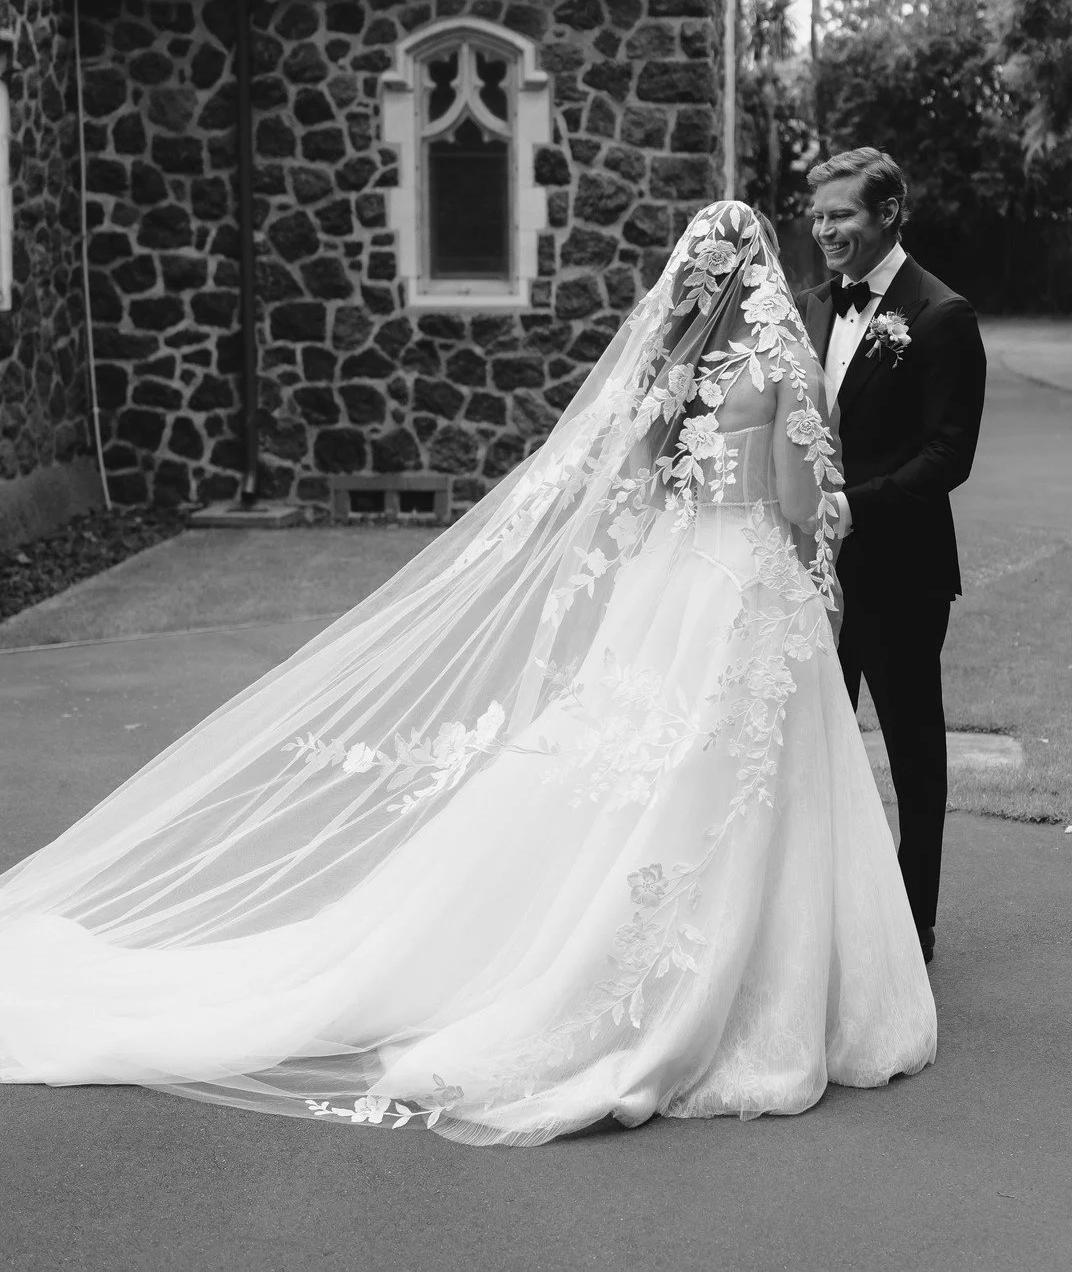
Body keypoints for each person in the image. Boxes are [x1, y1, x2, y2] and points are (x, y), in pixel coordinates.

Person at [0, 202, 935, 1147]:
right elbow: (791, 497)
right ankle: (758, 994)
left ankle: (581, 943)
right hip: (748, 590)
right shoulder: (782, 362)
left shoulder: (670, 364)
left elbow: (643, 483)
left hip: (675, 581)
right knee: (740, 781)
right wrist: (823, 547)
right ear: (762, 265)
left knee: (640, 773)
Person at [799, 149, 987, 964]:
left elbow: (949, 456)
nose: (823, 229)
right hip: (806, 576)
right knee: (810, 744)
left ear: (888, 214)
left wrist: (850, 507)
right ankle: (817, 908)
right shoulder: (807, 308)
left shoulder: (943, 315)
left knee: (912, 750)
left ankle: (914, 923)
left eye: (840, 215)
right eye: (817, 216)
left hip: (900, 572)